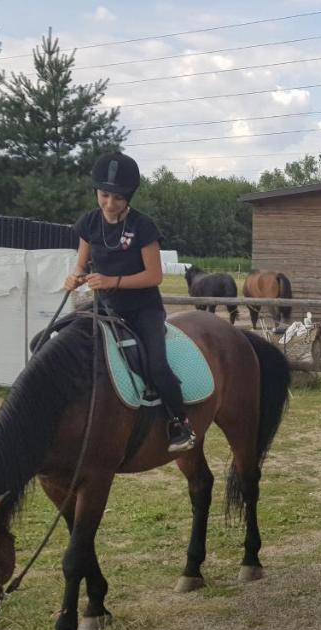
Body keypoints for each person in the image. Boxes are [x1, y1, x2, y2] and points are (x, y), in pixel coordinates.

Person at [63, 151, 196, 453]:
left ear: (129, 197)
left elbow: (154, 276)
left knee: (157, 366)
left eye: (118, 197)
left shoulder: (143, 226)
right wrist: (74, 278)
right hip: (105, 308)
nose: (110, 203)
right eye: (105, 195)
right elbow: (81, 266)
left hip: (142, 310)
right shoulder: (89, 223)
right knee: (51, 341)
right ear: (97, 192)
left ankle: (180, 423)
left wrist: (113, 281)